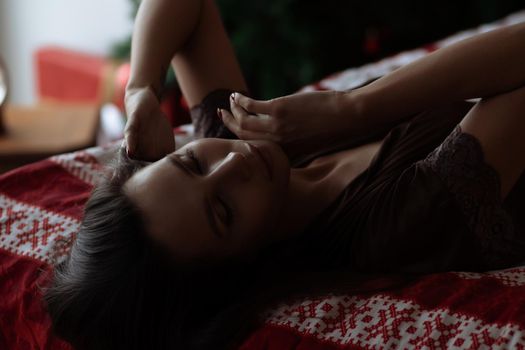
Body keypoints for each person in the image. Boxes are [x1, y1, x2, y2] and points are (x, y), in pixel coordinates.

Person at [43, 0, 525, 349]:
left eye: (190, 161)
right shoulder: (392, 226)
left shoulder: (243, 144)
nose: (234, 163)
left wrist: (141, 89)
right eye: (223, 212)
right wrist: (350, 107)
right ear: (243, 265)